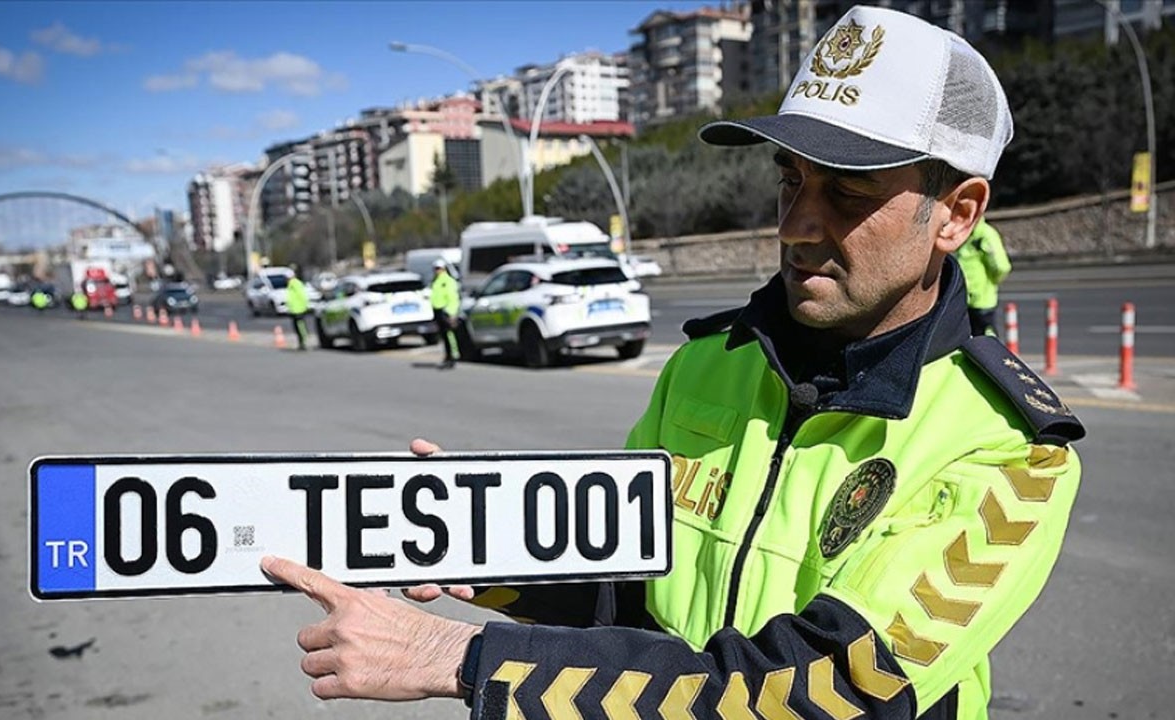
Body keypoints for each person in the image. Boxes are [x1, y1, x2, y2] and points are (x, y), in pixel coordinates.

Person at [261, 7, 1084, 719]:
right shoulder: (705, 366)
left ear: (957, 215)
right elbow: (631, 595)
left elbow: (824, 690)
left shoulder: (1011, 452)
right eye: (790, 180)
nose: (798, 224)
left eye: (848, 195)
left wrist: (462, 659)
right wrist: (485, 547)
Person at [954, 217, 1011, 336]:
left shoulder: (985, 234)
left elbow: (1002, 267)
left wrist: (989, 285)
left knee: (987, 345)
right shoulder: (962, 234)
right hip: (965, 302)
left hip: (982, 301)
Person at [429, 258, 461, 369]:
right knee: (443, 335)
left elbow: (453, 298)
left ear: (443, 269)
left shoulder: (448, 281)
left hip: (446, 311)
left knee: (449, 334)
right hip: (437, 310)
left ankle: (453, 355)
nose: (437, 271)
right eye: (435, 269)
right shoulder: (435, 281)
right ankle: (447, 356)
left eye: (439, 268)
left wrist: (451, 312)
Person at [284, 267, 310, 351]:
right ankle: (301, 342)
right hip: (294, 309)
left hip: (299, 308)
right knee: (296, 327)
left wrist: (305, 305)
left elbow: (302, 295)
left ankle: (304, 341)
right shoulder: (290, 285)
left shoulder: (295, 284)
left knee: (300, 326)